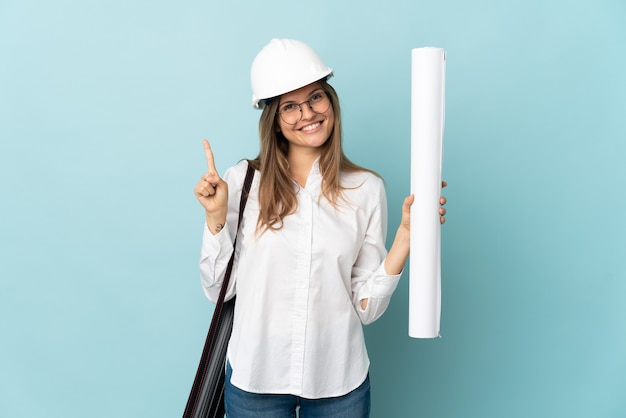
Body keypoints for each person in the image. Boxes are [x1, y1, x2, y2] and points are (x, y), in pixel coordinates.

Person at [194, 38, 447, 418]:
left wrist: (406, 238)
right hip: (256, 379)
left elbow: (366, 308)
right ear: (274, 120)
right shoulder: (242, 181)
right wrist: (215, 218)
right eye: (290, 106)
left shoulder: (366, 189)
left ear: (330, 101)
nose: (307, 113)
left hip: (338, 381)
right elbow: (219, 291)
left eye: (315, 98)